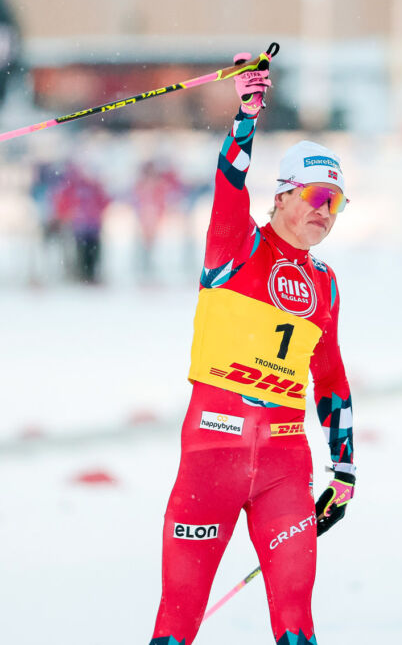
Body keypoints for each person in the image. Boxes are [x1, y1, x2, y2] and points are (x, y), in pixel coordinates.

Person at [149, 54, 355, 645]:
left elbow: (332, 378)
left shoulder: (325, 284)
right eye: (317, 195)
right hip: (211, 456)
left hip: (284, 470)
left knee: (296, 621)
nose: (325, 211)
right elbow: (230, 180)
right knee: (178, 621)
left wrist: (343, 467)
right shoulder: (235, 246)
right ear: (285, 195)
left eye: (336, 203)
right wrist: (247, 114)